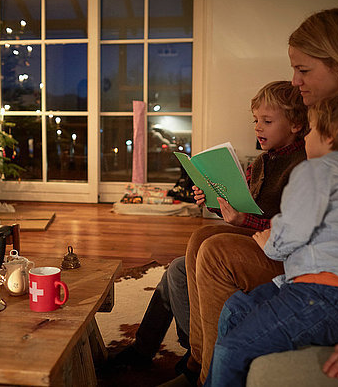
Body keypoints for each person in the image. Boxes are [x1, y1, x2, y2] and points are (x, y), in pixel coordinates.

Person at [181, 7, 338, 386]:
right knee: (201, 238)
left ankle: (214, 372)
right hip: (335, 253)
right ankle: (202, 366)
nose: (294, 82)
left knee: (217, 253)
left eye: (304, 70)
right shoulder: (334, 129)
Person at [111, 81, 308, 375]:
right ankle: (166, 350)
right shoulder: (263, 161)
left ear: (295, 124)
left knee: (188, 261)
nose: (258, 128)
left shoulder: (302, 163)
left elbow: (287, 226)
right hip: (253, 237)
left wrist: (243, 220)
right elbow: (244, 207)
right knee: (182, 261)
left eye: (267, 121)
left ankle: (192, 357)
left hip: (277, 248)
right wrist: (214, 201)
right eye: (256, 120)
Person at [204, 91, 338, 386]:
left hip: (322, 296)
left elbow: (294, 229)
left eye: (312, 129)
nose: (306, 136)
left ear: (333, 135)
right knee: (236, 307)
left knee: (231, 348)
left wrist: (270, 244)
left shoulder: (317, 170)